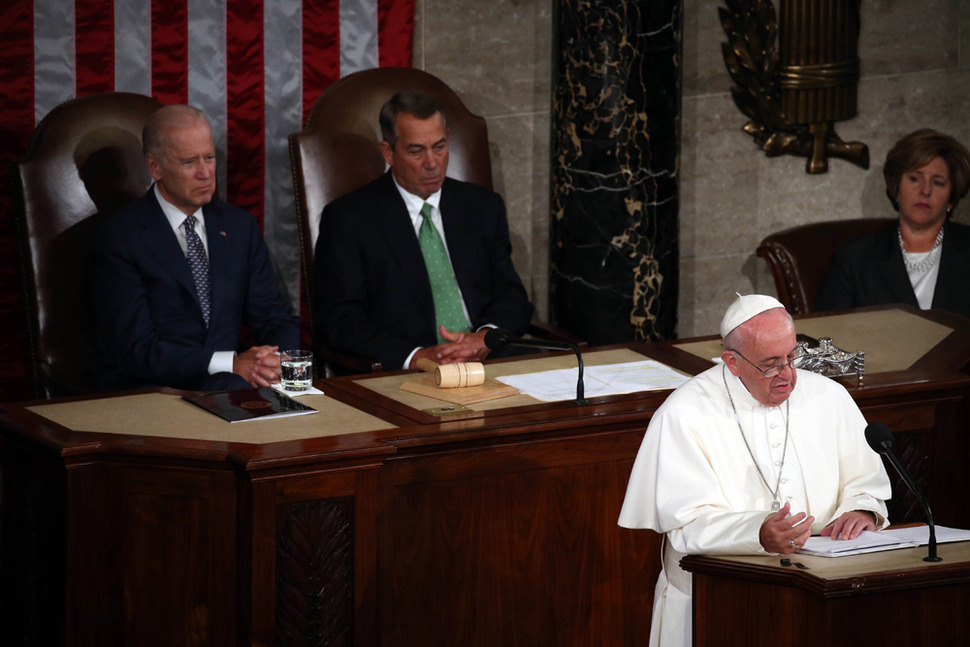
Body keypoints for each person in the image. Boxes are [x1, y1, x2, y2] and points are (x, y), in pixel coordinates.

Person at [618, 294, 891, 647]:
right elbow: (684, 526)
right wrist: (757, 532)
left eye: (792, 357)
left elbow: (865, 480)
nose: (789, 375)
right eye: (771, 364)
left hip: (819, 591)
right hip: (719, 601)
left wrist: (861, 508)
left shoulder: (829, 396)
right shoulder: (684, 414)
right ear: (732, 362)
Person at [313, 89, 534, 371]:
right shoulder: (349, 219)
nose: (432, 163)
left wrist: (485, 337)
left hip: (487, 360)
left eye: (439, 147)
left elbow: (511, 296)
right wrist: (415, 356)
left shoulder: (482, 207)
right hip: (407, 371)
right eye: (417, 151)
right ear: (389, 152)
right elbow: (340, 319)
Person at [87, 104, 299, 392]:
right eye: (189, 162)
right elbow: (136, 351)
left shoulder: (238, 227)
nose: (205, 173)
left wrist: (275, 360)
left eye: (209, 158)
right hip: (153, 391)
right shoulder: (119, 238)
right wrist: (229, 364)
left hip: (233, 386)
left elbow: (273, 316)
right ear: (155, 167)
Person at [816, 128, 970, 317]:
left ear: (952, 198)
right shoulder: (855, 258)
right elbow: (825, 336)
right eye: (914, 179)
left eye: (937, 182)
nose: (925, 191)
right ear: (896, 187)